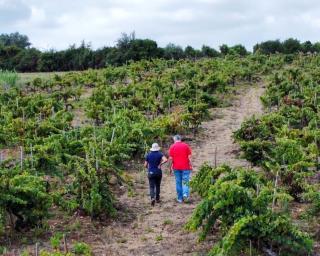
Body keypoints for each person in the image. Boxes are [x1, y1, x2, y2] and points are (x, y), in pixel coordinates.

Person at [169, 135, 192, 203]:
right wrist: (191, 165)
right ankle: (185, 194)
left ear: (175, 139)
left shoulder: (172, 146)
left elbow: (171, 159)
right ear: (180, 139)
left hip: (176, 167)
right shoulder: (186, 146)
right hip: (186, 167)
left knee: (178, 182)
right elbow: (189, 157)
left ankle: (180, 198)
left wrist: (170, 167)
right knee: (185, 181)